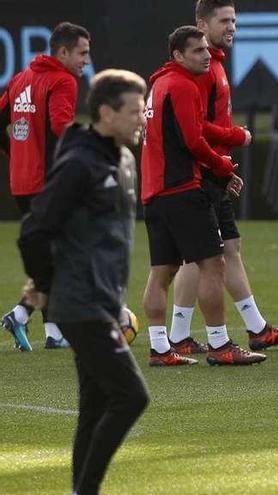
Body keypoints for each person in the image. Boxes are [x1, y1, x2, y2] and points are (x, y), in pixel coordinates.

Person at [18, 69, 151, 495]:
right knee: (132, 396)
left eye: (143, 110)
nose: (141, 119)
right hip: (80, 302)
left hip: (104, 300)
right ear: (106, 113)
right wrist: (45, 285)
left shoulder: (125, 158)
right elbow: (35, 230)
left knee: (93, 408)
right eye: (134, 111)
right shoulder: (79, 163)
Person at [166, 0, 278, 358]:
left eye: (234, 21)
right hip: (203, 172)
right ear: (201, 23)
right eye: (224, 21)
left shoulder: (215, 64)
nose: (232, 28)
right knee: (202, 257)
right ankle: (184, 335)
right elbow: (193, 127)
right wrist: (234, 138)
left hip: (214, 170)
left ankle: (256, 328)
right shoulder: (202, 66)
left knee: (227, 249)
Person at [141, 25, 265, 366]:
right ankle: (220, 344)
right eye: (197, 51)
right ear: (178, 55)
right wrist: (224, 166)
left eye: (205, 50)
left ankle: (160, 348)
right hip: (182, 190)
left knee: (162, 272)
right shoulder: (182, 85)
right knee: (213, 265)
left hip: (154, 193)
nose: (206, 55)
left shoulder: (159, 85)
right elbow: (194, 141)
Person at [0, 22, 91, 351]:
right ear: (62, 52)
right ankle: (22, 314)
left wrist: (16, 155)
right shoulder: (62, 80)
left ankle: (53, 331)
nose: (86, 61)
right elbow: (60, 128)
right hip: (48, 183)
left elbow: (1, 121)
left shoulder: (20, 79)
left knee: (53, 256)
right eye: (82, 53)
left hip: (21, 182)